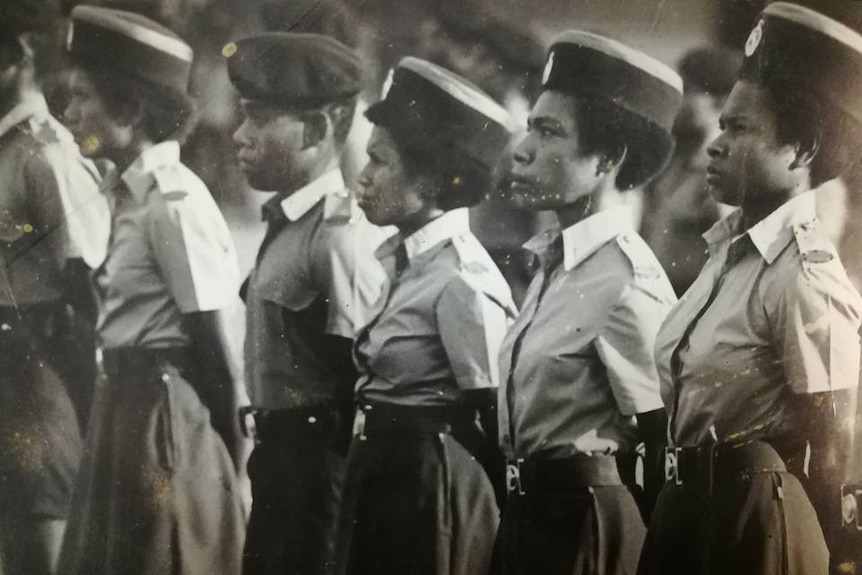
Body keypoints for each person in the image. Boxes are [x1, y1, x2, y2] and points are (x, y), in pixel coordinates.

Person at [637, 4, 862, 574]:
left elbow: (835, 448)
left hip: (753, 528)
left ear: (800, 151)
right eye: (722, 125)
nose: (715, 144)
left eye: (740, 129)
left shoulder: (802, 275)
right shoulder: (728, 255)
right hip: (688, 512)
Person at [58, 6, 244, 574]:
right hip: (122, 405)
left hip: (161, 418)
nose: (68, 115)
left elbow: (214, 350)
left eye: (81, 99)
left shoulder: (173, 202)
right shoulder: (129, 195)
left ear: (131, 109)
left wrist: (230, 470)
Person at [494, 31, 682, 575]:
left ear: (606, 159)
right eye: (530, 126)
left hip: (586, 533)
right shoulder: (556, 262)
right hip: (528, 520)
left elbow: (665, 446)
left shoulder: (626, 280)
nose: (522, 150)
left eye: (549, 132)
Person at [335, 57, 516, 575]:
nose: (363, 178)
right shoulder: (405, 262)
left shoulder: (462, 278)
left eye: (380, 162)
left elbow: (495, 421)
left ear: (434, 179)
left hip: (429, 491)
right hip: (381, 477)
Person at [227, 32, 387, 575]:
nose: (239, 136)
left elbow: (363, 376)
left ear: (317, 129)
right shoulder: (290, 222)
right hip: (278, 461)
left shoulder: (336, 236)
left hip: (318, 470)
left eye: (257, 118)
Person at [0, 2, 109, 573]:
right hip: (6, 370)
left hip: (39, 371)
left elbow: (88, 287)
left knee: (41, 542)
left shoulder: (48, 153)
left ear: (17, 56)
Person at [640, 46, 739, 296]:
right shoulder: (678, 161)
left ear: (720, 102)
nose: (677, 101)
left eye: (689, 91)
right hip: (661, 289)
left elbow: (731, 249)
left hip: (696, 294)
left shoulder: (726, 169)